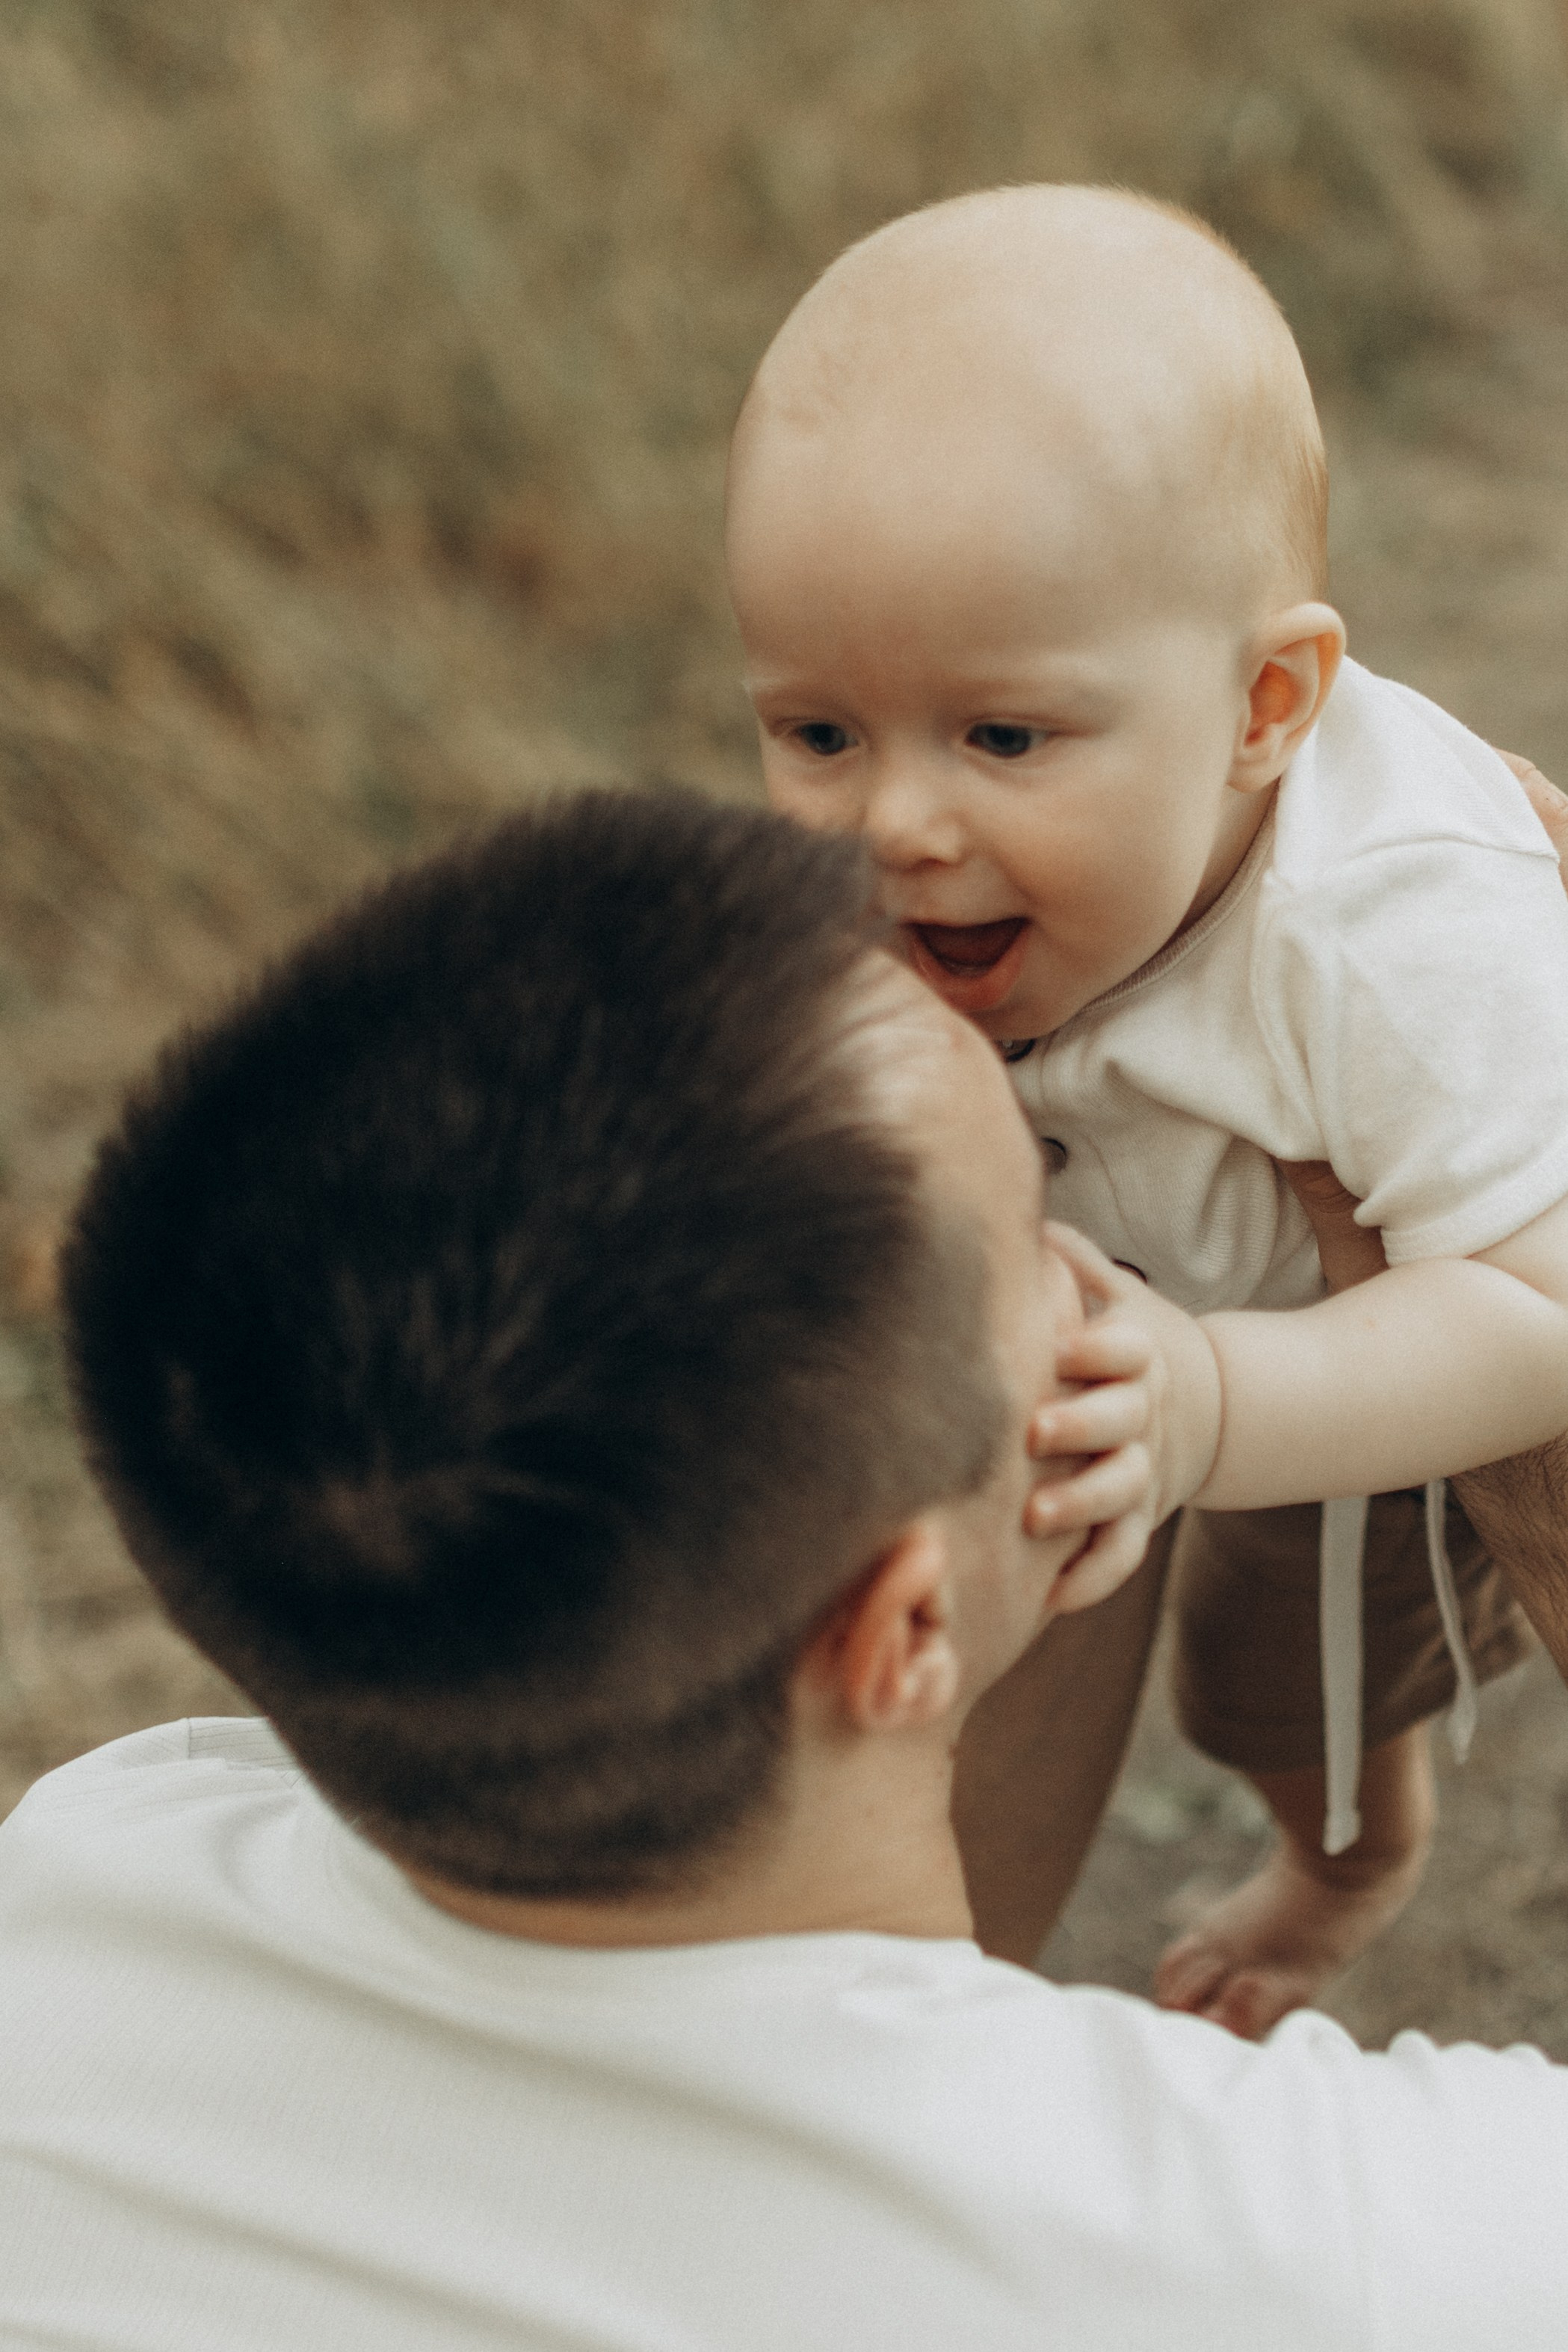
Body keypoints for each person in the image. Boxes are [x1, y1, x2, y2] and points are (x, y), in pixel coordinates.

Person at [5, 783, 1568, 2352]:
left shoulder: (81, 1884)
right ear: (895, 1629)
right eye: (1040, 1216)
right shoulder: (1317, 2252)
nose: (1103, 1263)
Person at [725, 181, 1568, 2034]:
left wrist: (1222, 1398)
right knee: (1118, 1634)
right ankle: (928, 1971)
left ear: (1264, 703)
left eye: (1001, 736)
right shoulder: (935, 876)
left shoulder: (1394, 936)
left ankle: (1351, 1855)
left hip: (1385, 1336)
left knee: (1293, 1669)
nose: (895, 824)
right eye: (816, 730)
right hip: (1145, 1294)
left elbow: (1533, 1312)